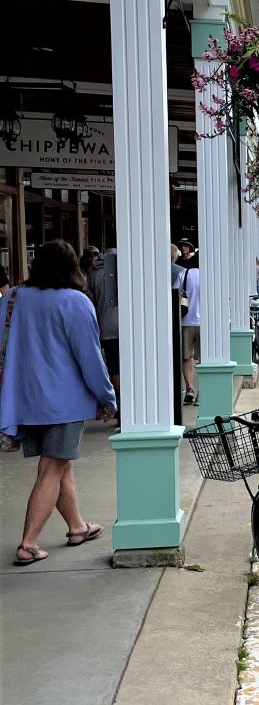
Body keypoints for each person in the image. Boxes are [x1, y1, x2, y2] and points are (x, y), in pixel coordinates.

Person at [0, 239, 116, 566]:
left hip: (24, 399)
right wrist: (106, 396)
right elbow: (90, 358)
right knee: (51, 468)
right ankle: (28, 544)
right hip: (64, 401)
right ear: (72, 268)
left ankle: (77, 527)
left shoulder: (13, 298)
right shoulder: (74, 301)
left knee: (61, 465)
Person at [89, 237, 122, 410]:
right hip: (128, 327)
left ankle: (119, 401)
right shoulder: (126, 268)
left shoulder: (94, 273)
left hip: (106, 326)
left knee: (114, 366)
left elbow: (91, 301)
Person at [178, 250, 201, 406]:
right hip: (205, 322)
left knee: (187, 357)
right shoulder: (211, 275)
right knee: (204, 359)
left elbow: (175, 294)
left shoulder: (184, 274)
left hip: (186, 320)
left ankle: (190, 388)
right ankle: (203, 392)